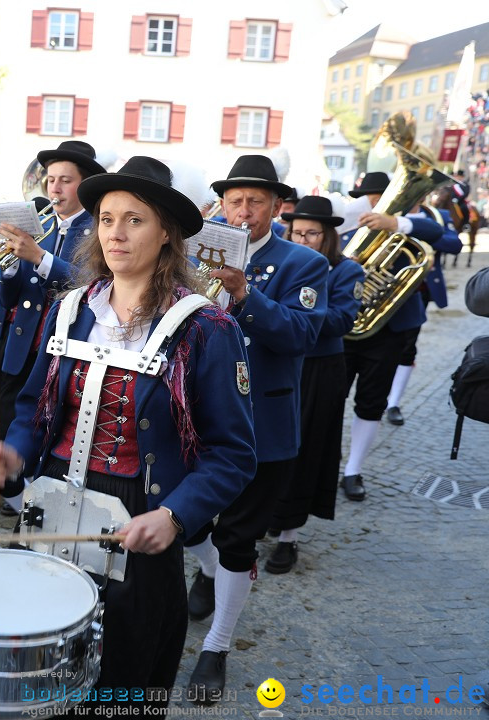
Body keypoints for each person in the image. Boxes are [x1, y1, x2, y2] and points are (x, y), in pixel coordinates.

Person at [0, 156, 256, 714]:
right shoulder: (69, 311)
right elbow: (37, 405)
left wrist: (175, 515)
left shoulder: (206, 328)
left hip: (140, 509)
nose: (116, 233)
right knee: (45, 661)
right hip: (55, 500)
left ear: (166, 235)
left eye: (134, 220)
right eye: (107, 219)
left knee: (124, 675)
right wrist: (16, 450)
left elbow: (233, 454)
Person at [184, 154, 329, 702]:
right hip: (195, 412)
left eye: (256, 201)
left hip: (261, 421)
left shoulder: (303, 264)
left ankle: (216, 647)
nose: (244, 211)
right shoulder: (197, 250)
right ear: (223, 203)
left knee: (239, 536)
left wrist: (246, 295)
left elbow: (301, 336)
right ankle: (212, 569)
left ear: (276, 206)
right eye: (235, 200)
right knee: (188, 521)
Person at [0, 140, 105, 519]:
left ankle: (36, 490)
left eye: (66, 180)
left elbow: (91, 285)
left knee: (51, 421)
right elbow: (8, 295)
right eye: (50, 180)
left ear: (84, 185)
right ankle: (13, 488)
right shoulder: (38, 224)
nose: (55, 189)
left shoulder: (96, 229)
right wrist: (10, 266)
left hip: (64, 343)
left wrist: (40, 258)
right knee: (2, 419)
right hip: (19, 341)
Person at [340, 173, 457, 500]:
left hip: (389, 327)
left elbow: (442, 236)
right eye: (373, 199)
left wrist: (396, 222)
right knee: (330, 398)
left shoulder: (410, 223)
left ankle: (353, 469)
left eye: (382, 197)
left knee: (372, 400)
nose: (376, 204)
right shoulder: (349, 221)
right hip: (342, 325)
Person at [265, 196, 364, 573]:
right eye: (297, 232)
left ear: (328, 237)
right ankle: (266, 513)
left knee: (306, 450)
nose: (303, 240)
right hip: (281, 363)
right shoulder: (281, 265)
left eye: (312, 234)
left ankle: (289, 537)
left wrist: (294, 316)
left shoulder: (345, 270)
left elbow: (341, 322)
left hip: (320, 369)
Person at [382, 193, 462, 426]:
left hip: (419, 289)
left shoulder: (438, 215)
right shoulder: (387, 214)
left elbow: (453, 244)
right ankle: (376, 396)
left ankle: (393, 402)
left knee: (408, 346)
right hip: (387, 286)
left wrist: (411, 227)